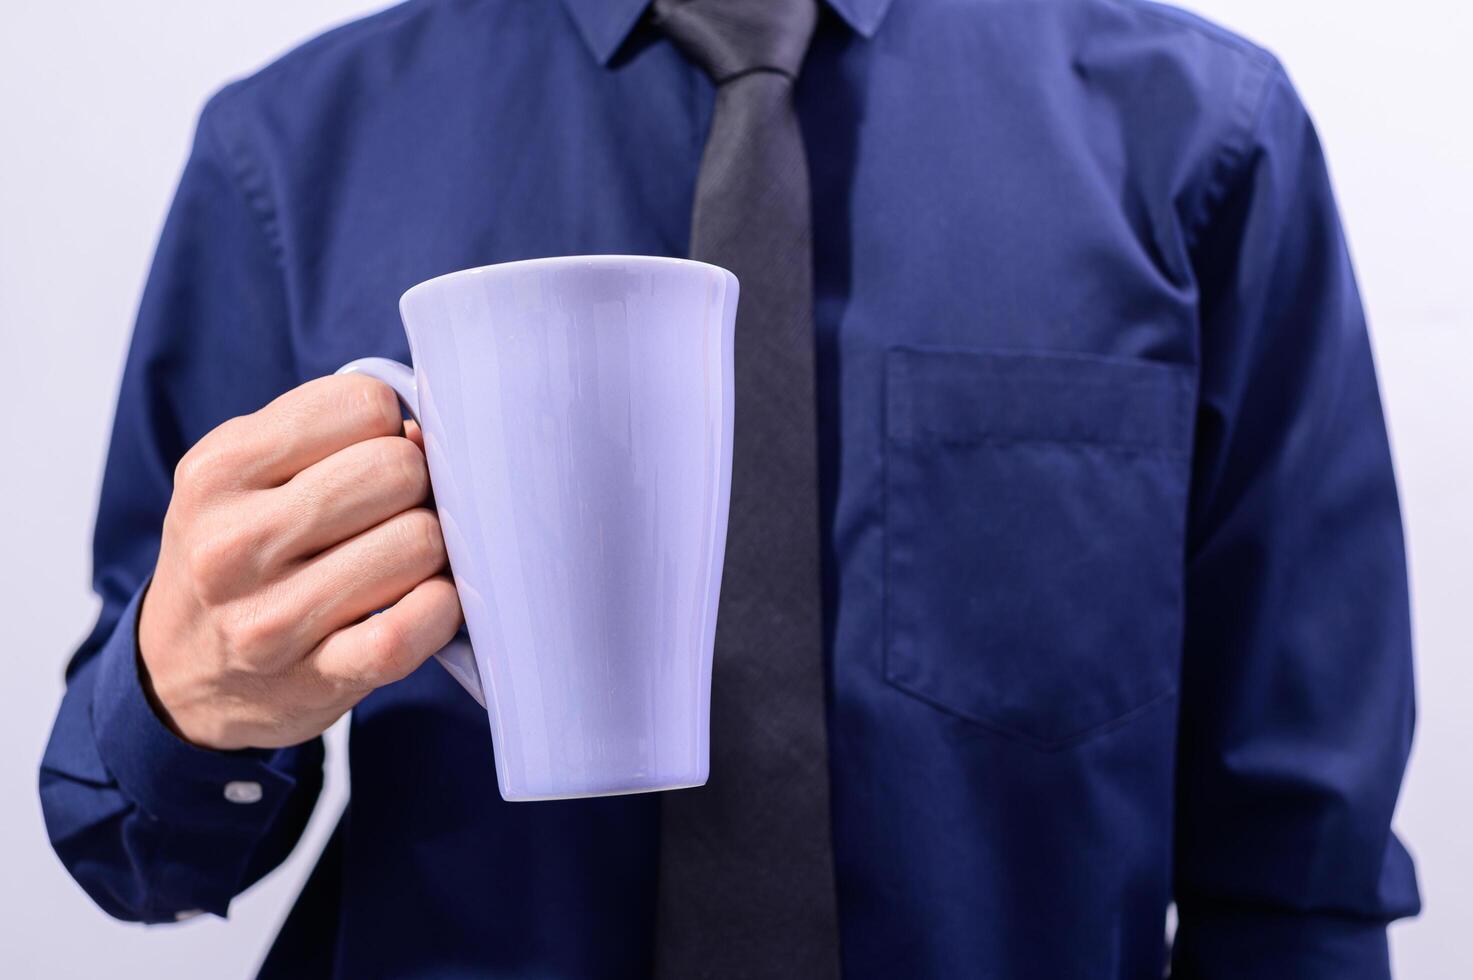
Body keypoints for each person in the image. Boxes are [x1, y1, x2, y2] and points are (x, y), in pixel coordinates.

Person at [39, 0, 1420, 977]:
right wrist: (186, 708)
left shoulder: (1204, 145)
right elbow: (131, 848)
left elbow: (1297, 885)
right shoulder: (282, 156)